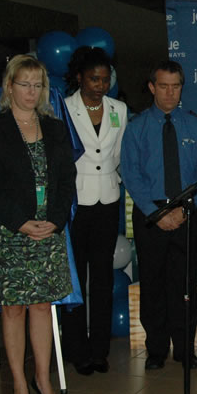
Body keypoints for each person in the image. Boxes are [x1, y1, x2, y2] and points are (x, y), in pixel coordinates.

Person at [0, 55, 75, 394]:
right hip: (9, 233)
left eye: (37, 85)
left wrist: (56, 219)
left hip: (48, 231)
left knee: (42, 307)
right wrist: (20, 222)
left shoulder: (56, 128)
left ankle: (43, 380)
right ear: (9, 87)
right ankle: (19, 384)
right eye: (24, 84)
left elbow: (66, 182)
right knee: (13, 309)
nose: (31, 91)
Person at [120, 60, 197, 370]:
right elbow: (131, 175)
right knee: (154, 283)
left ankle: (185, 349)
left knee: (184, 283)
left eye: (176, 86)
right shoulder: (137, 127)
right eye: (164, 86)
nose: (170, 93)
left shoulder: (194, 125)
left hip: (185, 211)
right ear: (151, 87)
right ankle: (156, 349)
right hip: (151, 214)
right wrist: (158, 213)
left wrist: (186, 209)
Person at [61, 46, 128, 375]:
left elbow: (115, 152)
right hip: (76, 202)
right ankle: (78, 350)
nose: (100, 85)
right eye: (93, 79)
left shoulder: (119, 109)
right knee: (77, 277)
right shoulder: (63, 108)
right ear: (79, 78)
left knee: (101, 278)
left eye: (105, 79)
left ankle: (99, 350)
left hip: (108, 199)